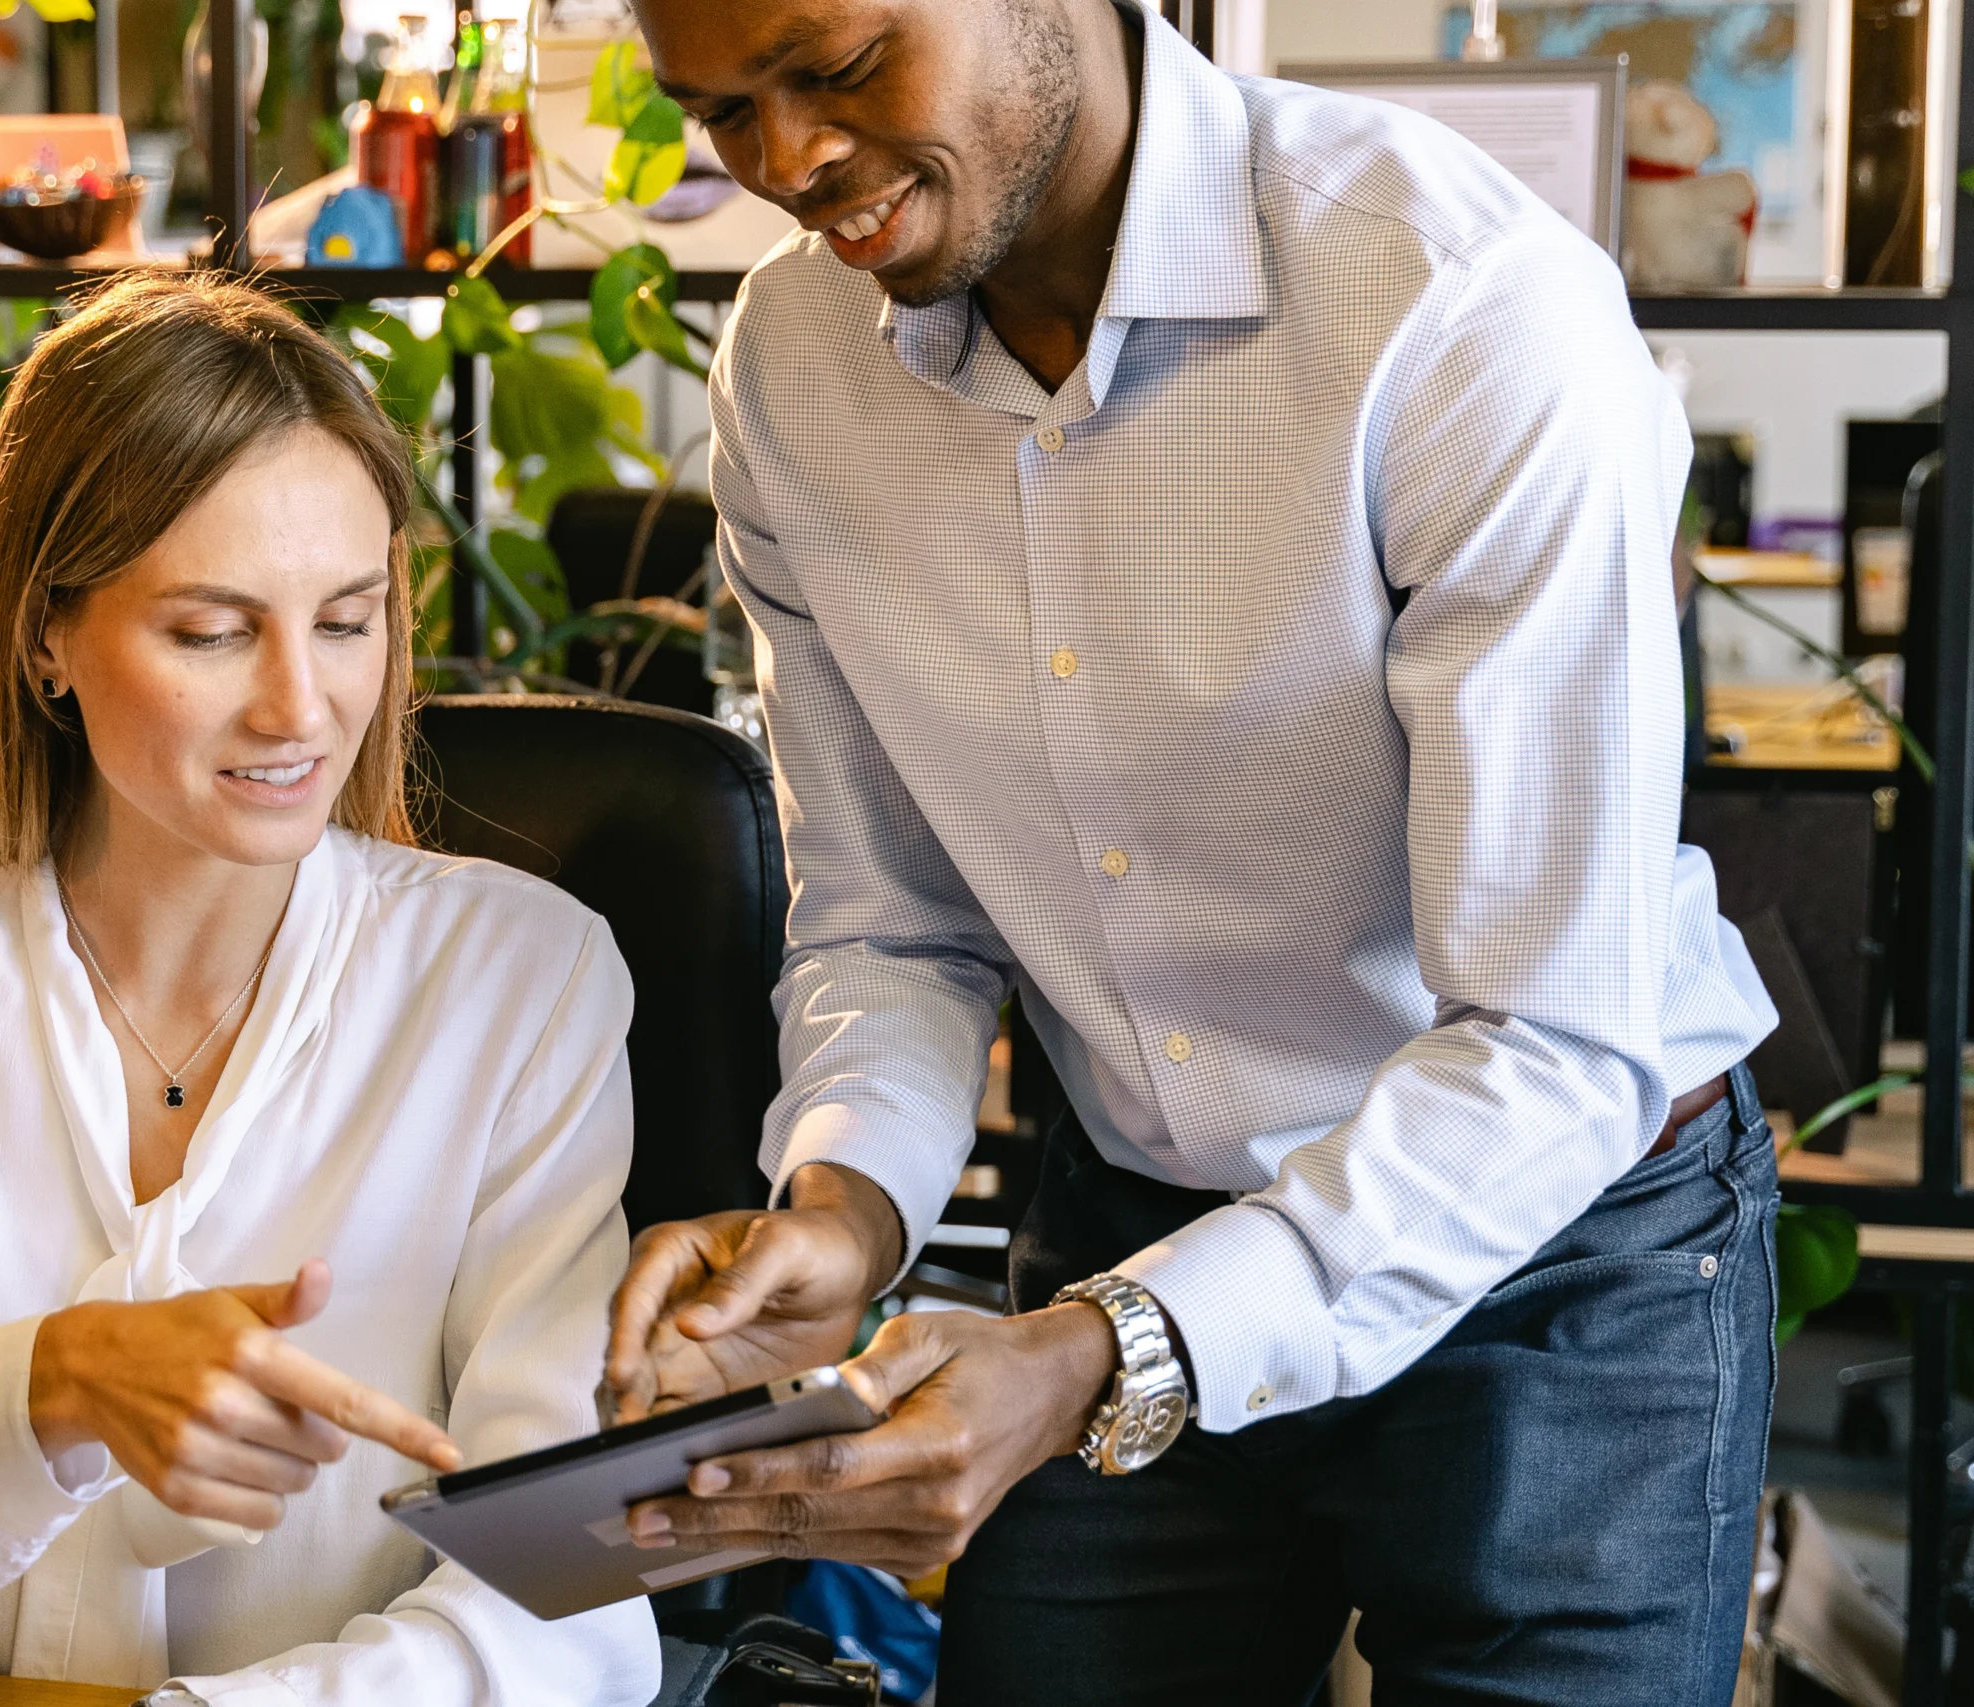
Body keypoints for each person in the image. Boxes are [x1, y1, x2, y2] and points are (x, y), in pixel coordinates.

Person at [601, 1, 1779, 1701]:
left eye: (841, 68)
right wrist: (848, 1209)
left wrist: (1099, 1355)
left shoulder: (1455, 300)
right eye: (720, 109)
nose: (784, 162)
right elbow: (890, 917)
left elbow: (1550, 1030)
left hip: (1563, 1253)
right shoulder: (791, 369)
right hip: (1137, 1207)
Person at [0, 273, 660, 1707]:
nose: (300, 706)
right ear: (44, 637)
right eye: (211, 631)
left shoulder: (524, 978)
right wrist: (51, 1388)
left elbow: (569, 1584)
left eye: (347, 619)